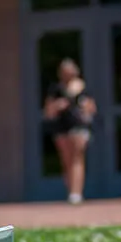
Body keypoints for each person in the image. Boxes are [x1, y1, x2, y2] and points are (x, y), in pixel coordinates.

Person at [42, 58, 97, 204]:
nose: (68, 74)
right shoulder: (55, 89)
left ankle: (76, 193)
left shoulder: (83, 88)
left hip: (79, 126)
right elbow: (48, 111)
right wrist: (58, 106)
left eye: (70, 71)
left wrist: (85, 108)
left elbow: (92, 109)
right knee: (66, 161)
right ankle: (70, 191)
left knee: (77, 158)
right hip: (61, 127)